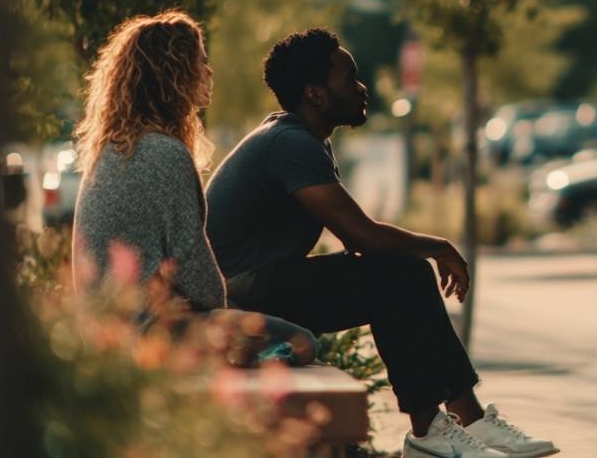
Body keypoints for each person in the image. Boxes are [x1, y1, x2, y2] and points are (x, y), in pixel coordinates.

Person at [205, 29, 558, 458]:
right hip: (238, 298)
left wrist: (407, 251)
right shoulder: (290, 143)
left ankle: (462, 421)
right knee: (398, 274)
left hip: (257, 286)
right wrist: (438, 247)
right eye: (349, 78)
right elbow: (363, 236)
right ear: (315, 93)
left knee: (397, 273)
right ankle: (436, 430)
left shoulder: (302, 139)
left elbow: (360, 239)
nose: (361, 87)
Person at [71, 11, 318, 366]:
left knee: (250, 318)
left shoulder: (111, 150)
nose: (210, 71)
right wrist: (224, 313)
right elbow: (193, 267)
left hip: (105, 329)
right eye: (201, 62)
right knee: (303, 342)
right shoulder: (165, 153)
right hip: (150, 334)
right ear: (174, 74)